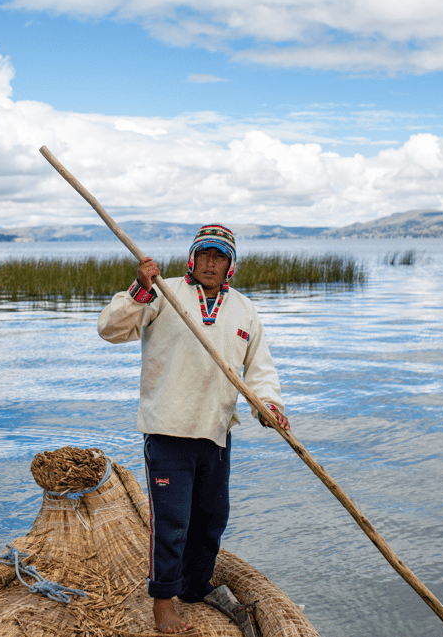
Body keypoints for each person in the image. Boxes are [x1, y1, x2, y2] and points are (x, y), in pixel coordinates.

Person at [97, 224, 290, 634]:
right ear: (192, 258)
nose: (210, 263)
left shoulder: (243, 310)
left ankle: (195, 589)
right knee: (172, 524)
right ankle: (163, 607)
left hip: (216, 433)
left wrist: (268, 405)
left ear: (230, 265)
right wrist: (138, 289)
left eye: (219, 257)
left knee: (210, 518)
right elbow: (110, 329)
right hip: (169, 432)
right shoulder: (163, 292)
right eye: (204, 254)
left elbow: (260, 370)